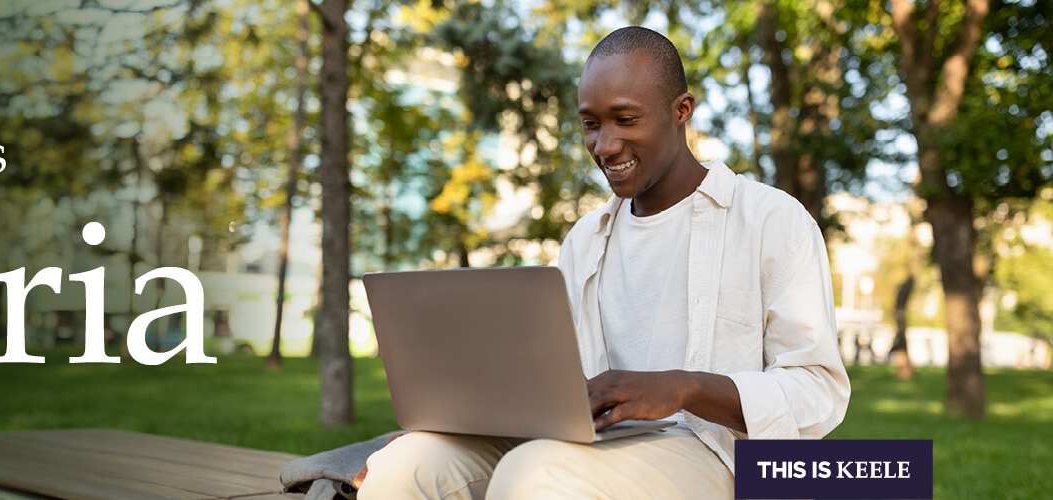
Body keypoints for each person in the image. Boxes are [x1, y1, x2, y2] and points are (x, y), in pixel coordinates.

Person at [356, 26, 850, 499]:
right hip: (592, 442)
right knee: (406, 467)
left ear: (682, 110)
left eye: (626, 119)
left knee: (536, 475)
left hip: (716, 453)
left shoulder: (769, 219)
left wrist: (685, 388)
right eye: (590, 124)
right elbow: (549, 382)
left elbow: (818, 389)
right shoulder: (585, 240)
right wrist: (452, 427)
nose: (605, 146)